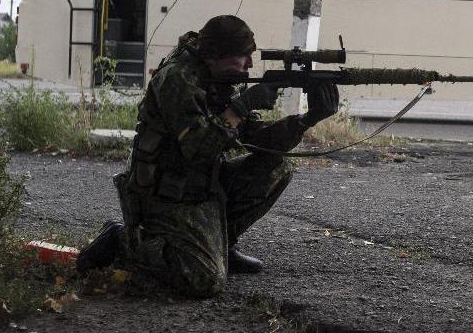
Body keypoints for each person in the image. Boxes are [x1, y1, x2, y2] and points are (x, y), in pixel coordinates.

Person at [77, 15, 340, 298]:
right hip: (164, 195)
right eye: (243, 56)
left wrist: (307, 120)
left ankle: (222, 242)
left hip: (201, 185)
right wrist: (241, 107)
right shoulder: (177, 80)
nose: (250, 65)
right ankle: (123, 240)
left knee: (276, 167)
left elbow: (254, 138)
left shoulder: (217, 78)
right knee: (204, 281)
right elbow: (198, 148)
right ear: (215, 56)